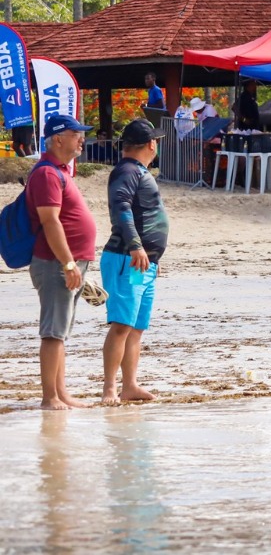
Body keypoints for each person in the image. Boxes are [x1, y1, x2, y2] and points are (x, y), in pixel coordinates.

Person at [26, 114, 97, 410]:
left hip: (69, 263)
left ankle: (61, 392)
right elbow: (50, 220)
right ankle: (49, 397)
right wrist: (68, 264)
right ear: (57, 139)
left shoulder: (60, 171)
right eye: (75, 133)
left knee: (61, 331)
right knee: (53, 332)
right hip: (56, 263)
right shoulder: (46, 174)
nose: (82, 138)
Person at [100, 119, 168, 405]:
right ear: (151, 144)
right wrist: (136, 246)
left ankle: (130, 385)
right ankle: (109, 390)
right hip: (125, 258)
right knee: (121, 325)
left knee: (136, 327)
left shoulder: (137, 171)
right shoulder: (127, 171)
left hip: (143, 263)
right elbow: (121, 208)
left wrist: (151, 256)